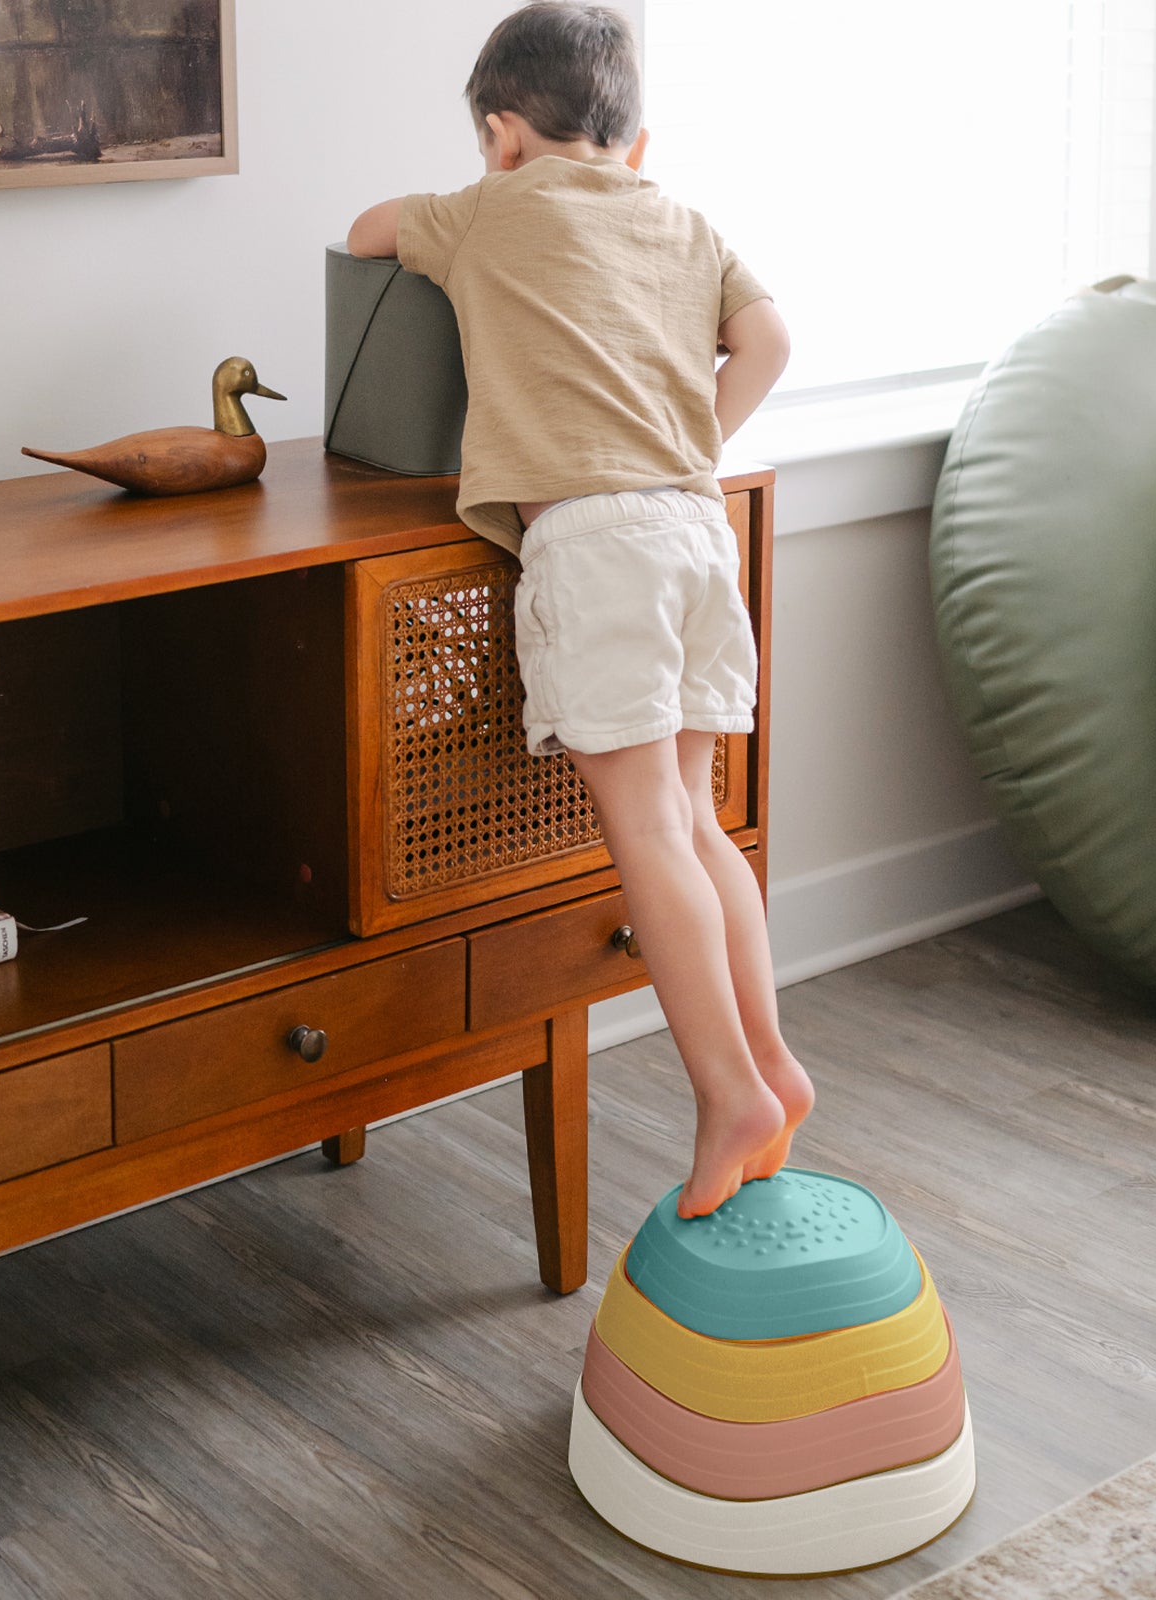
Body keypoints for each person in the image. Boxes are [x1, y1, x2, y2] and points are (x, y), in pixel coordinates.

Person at [346, 1, 807, 1218]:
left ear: (501, 135)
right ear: (634, 140)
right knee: (701, 824)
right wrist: (681, 443)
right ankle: (771, 1060)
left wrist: (479, 184)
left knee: (647, 832)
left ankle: (729, 1095)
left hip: (595, 548)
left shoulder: (488, 206)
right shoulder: (683, 219)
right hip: (698, 533)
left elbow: (364, 230)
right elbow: (767, 340)